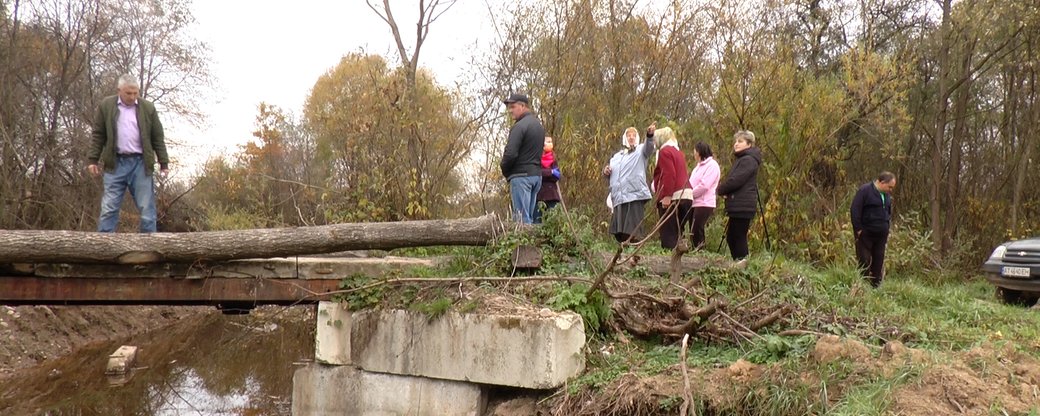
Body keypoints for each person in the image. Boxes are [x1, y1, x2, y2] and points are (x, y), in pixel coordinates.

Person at [87, 74, 169, 233]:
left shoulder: (148, 108)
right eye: (128, 93)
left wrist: (163, 162)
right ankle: (104, 247)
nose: (132, 97)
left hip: (141, 164)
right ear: (119, 91)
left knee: (147, 210)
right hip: (115, 163)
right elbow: (98, 134)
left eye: (135, 93)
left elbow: (157, 137)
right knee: (109, 209)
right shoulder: (106, 106)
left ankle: (148, 248)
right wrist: (93, 160)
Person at [604, 124, 656, 243]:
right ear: (625, 138)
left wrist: (649, 136)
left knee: (634, 229)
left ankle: (635, 252)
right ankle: (623, 252)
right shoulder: (617, 157)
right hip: (619, 197)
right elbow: (612, 173)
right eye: (628, 135)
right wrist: (606, 171)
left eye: (633, 135)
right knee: (620, 230)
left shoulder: (641, 151)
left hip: (635, 194)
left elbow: (649, 148)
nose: (631, 137)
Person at [716, 130, 761, 262]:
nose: (736, 144)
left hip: (743, 205)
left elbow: (736, 180)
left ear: (749, 144)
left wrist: (721, 190)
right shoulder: (743, 159)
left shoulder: (748, 160)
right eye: (736, 141)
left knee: (738, 236)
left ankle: (742, 265)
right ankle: (739, 263)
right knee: (732, 236)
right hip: (738, 204)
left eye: (740, 141)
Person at [500, 93, 545, 224]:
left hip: (521, 176)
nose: (510, 111)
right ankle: (530, 244)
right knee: (529, 219)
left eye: (513, 107)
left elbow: (511, 153)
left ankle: (521, 245)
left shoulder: (519, 126)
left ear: (522, 106)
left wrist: (505, 170)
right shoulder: (538, 126)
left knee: (521, 222)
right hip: (536, 176)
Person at [850, 172, 897, 288]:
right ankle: (862, 286)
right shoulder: (865, 191)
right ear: (881, 182)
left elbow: (888, 212)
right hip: (866, 234)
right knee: (864, 260)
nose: (890, 190)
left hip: (881, 236)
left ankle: (875, 287)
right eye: (889, 187)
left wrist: (887, 227)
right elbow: (855, 210)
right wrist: (859, 229)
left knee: (878, 261)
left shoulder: (886, 196)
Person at [651, 127, 693, 250]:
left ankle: (669, 264)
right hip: (686, 195)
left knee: (669, 235)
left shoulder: (665, 152)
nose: (654, 143)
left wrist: (666, 196)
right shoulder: (678, 152)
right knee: (678, 232)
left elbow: (669, 174)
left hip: (674, 196)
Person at [688, 142, 720, 250]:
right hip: (694, 202)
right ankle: (695, 249)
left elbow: (705, 185)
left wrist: (690, 194)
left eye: (695, 151)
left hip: (704, 202)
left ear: (700, 152)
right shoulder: (697, 167)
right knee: (692, 229)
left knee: (697, 227)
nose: (694, 153)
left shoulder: (712, 166)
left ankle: (700, 250)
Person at [535, 136, 562, 224]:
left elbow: (556, 176)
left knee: (552, 222)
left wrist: (549, 174)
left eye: (551, 141)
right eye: (548, 141)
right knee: (537, 221)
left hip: (552, 195)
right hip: (539, 195)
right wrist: (550, 172)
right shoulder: (536, 158)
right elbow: (537, 172)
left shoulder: (554, 159)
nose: (550, 144)